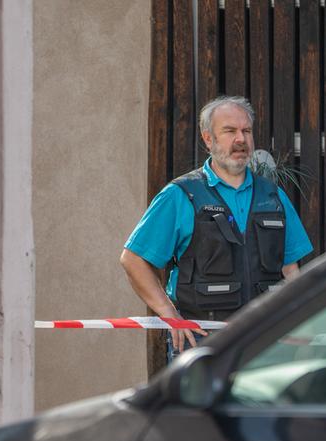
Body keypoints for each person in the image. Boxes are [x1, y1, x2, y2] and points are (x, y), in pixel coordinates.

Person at [120, 95, 313, 358]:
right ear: (208, 139)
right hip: (201, 343)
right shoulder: (181, 195)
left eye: (246, 131)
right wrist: (168, 313)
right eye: (230, 131)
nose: (241, 140)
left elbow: (290, 268)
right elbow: (134, 260)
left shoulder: (272, 195)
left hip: (266, 342)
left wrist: (302, 317)